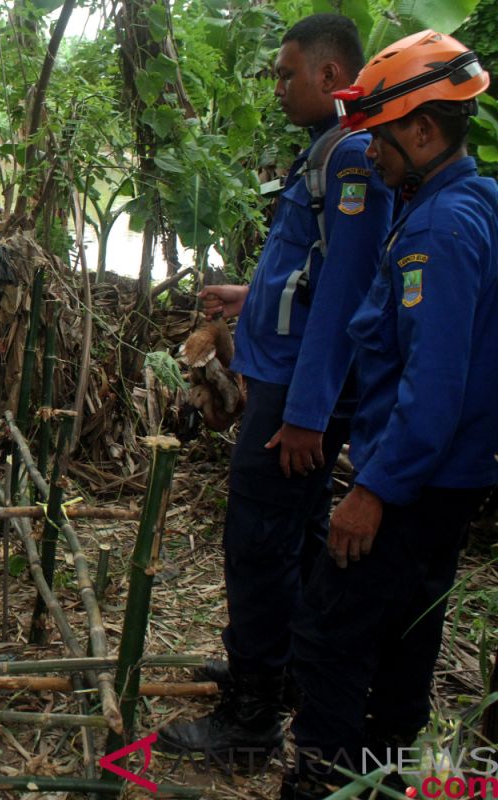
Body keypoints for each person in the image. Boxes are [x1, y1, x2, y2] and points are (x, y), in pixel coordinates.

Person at [160, 14, 395, 755]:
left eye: (287, 73)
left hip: (298, 394)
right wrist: (248, 296)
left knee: (259, 544)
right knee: (287, 538)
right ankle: (277, 669)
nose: (277, 85)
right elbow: (308, 270)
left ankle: (250, 715)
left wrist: (306, 413)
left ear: (330, 77)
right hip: (289, 383)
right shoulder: (325, 153)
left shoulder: (353, 159)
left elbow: (344, 296)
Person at [283, 31, 495, 798]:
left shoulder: (437, 232)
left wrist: (371, 490)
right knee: (408, 636)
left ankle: (325, 782)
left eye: (377, 138)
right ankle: (384, 774)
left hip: (414, 479)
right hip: (455, 476)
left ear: (425, 130)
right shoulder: (476, 201)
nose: (366, 155)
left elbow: (432, 387)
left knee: (329, 636)